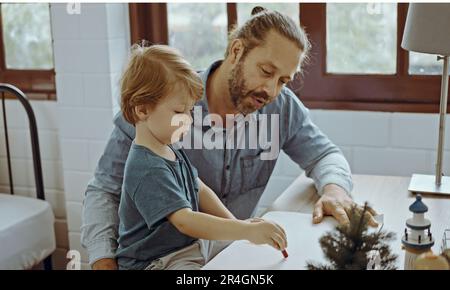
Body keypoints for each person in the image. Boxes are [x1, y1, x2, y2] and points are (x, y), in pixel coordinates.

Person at [82, 7, 378, 270]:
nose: (272, 90)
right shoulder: (162, 102)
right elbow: (105, 190)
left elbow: (324, 154)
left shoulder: (281, 107)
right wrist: (103, 261)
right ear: (236, 51)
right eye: (266, 71)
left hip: (229, 251)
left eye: (284, 80)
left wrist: (335, 189)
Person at [115, 44, 287, 270]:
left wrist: (237, 225)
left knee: (242, 256)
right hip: (155, 263)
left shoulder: (169, 147)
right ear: (142, 110)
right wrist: (246, 230)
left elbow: (199, 188)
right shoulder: (146, 167)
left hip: (185, 248)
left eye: (190, 110)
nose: (188, 119)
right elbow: (185, 221)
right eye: (179, 111)